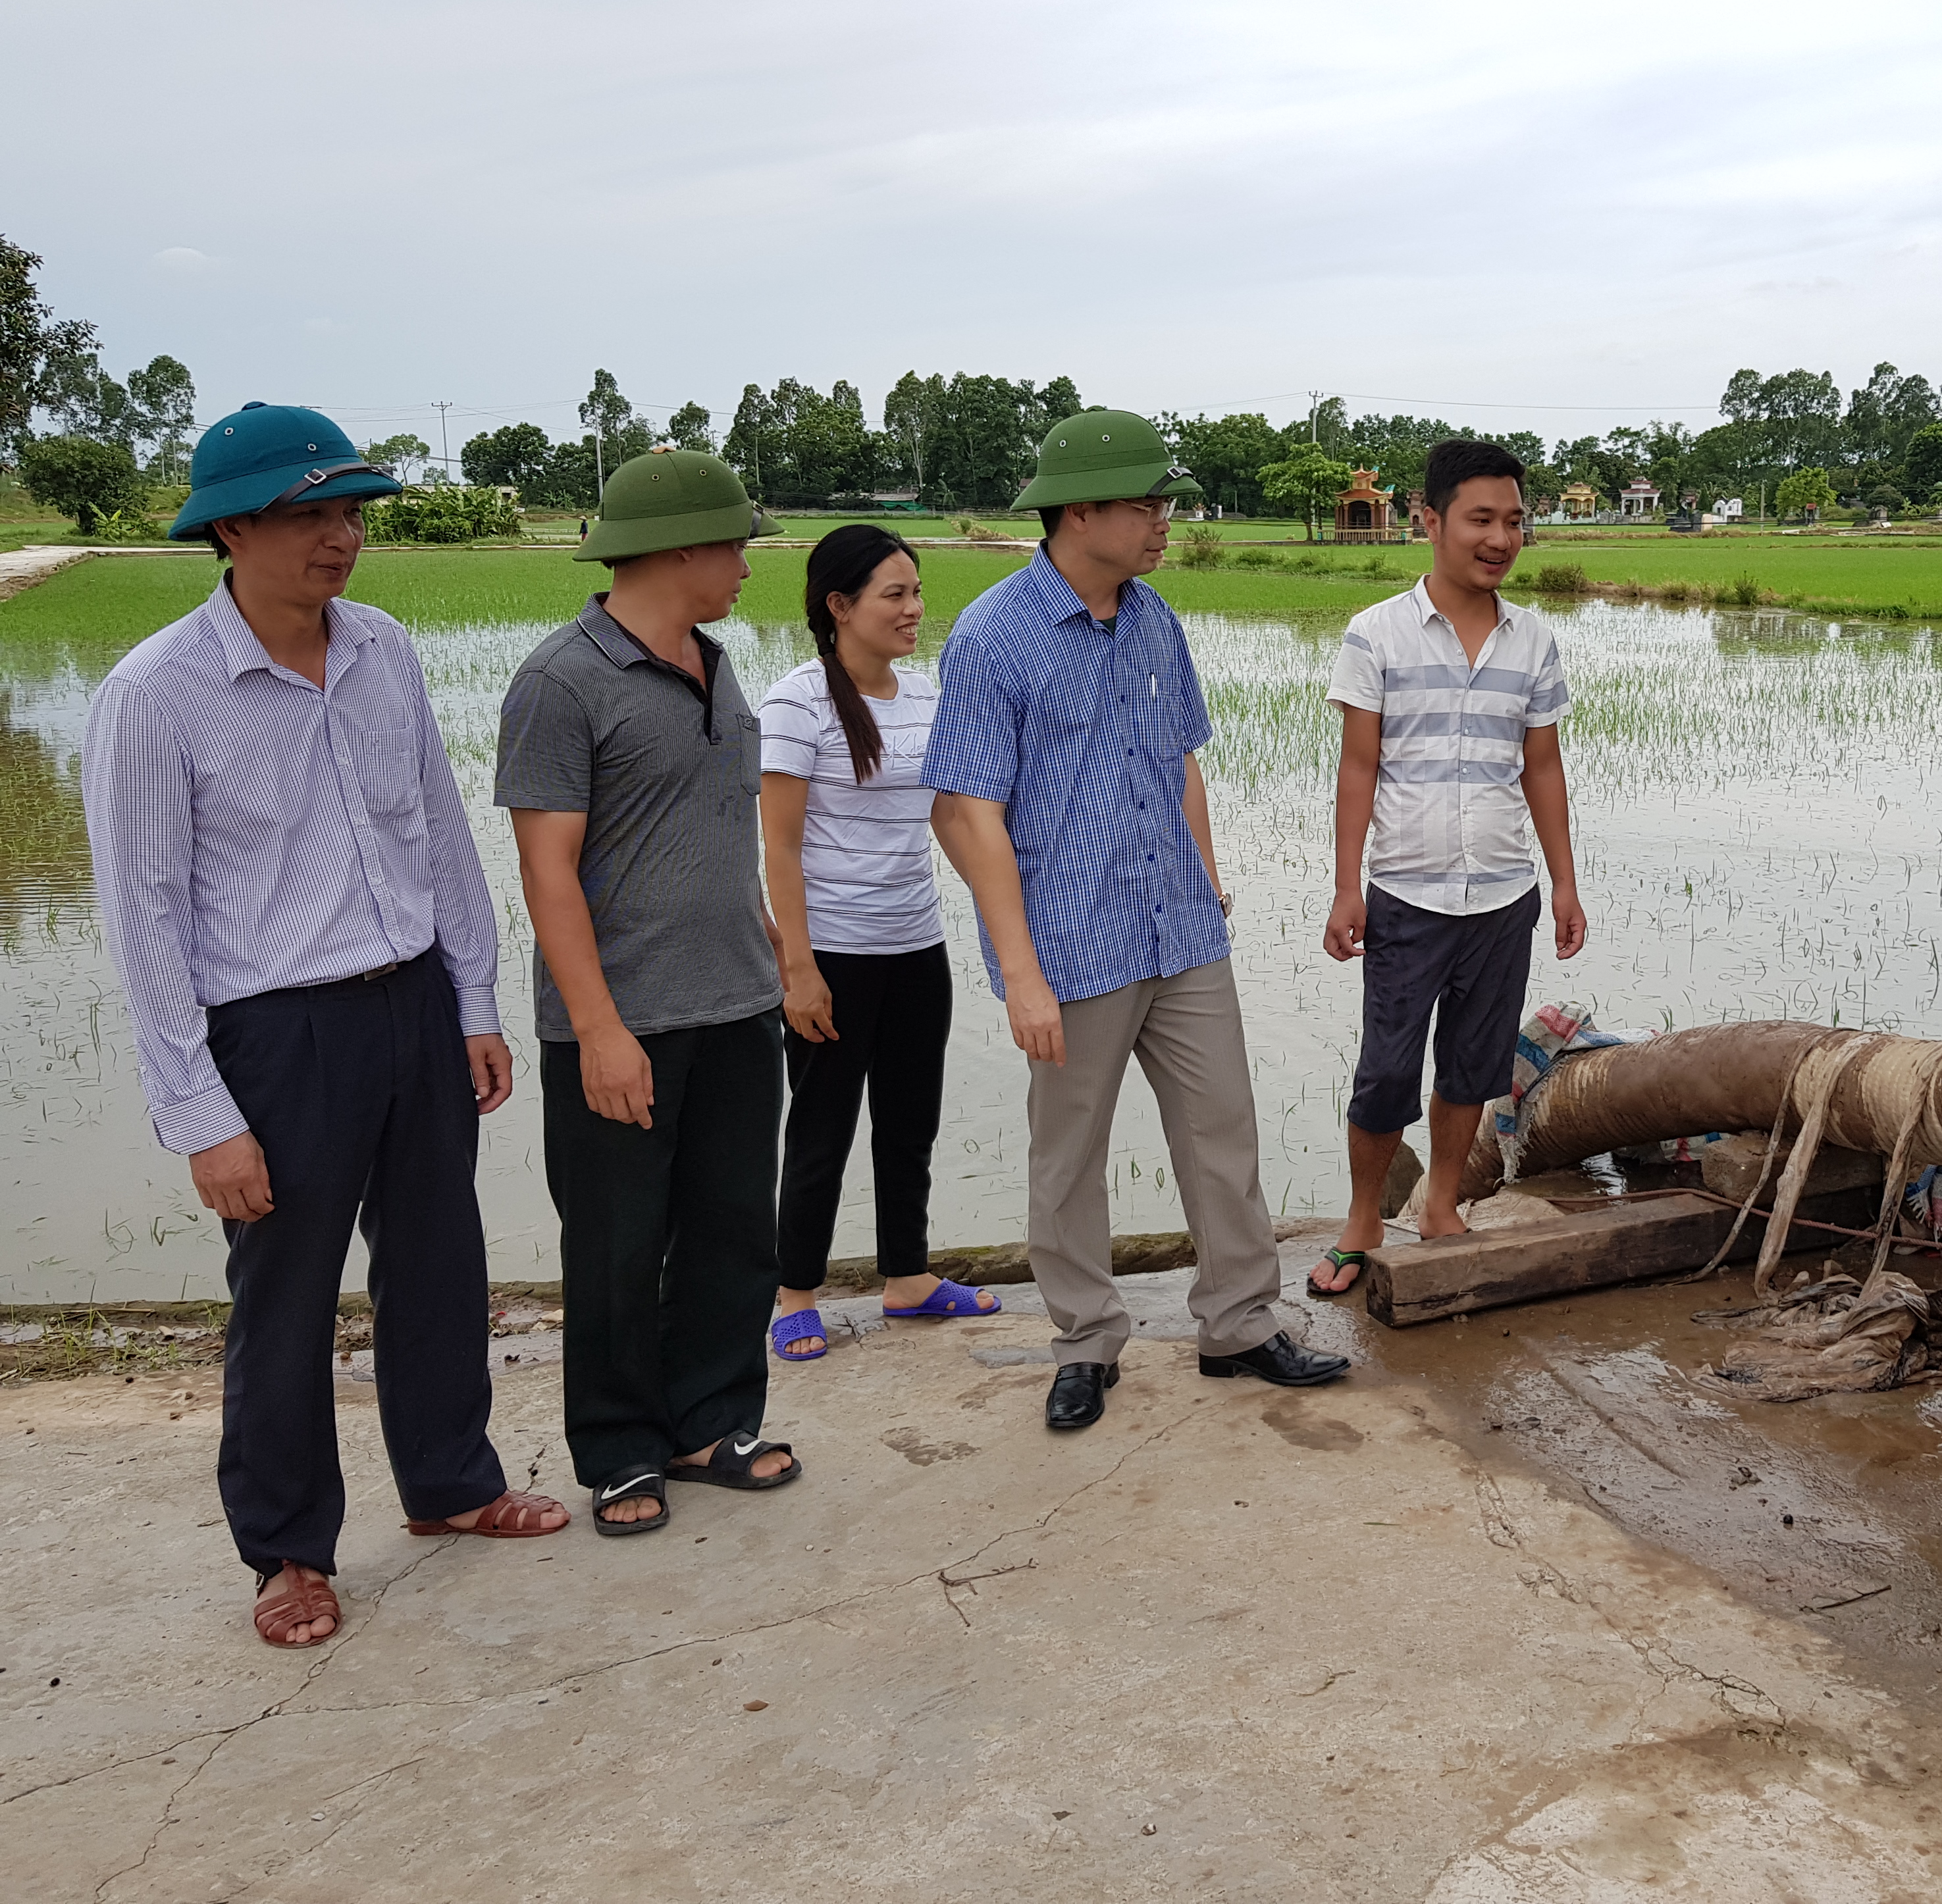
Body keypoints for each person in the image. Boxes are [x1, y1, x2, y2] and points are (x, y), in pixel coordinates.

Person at [82, 403, 568, 1651]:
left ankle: (452, 1482)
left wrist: (470, 1000)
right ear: (231, 528)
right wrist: (200, 1114)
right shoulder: (157, 694)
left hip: (410, 999)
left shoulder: (385, 652)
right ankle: (290, 1550)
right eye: (308, 515)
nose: (340, 537)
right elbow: (144, 918)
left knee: (440, 1261)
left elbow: (439, 838)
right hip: (276, 1033)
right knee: (286, 1298)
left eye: (350, 511)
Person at [924, 407, 1349, 1431]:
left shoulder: (1155, 618)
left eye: (1166, 501)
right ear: (1080, 513)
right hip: (1071, 946)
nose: (1166, 519)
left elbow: (1181, 759)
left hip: (1182, 930)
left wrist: (1207, 878)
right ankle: (1084, 1341)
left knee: (1223, 1130)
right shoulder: (992, 637)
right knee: (1068, 1155)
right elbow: (963, 809)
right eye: (1147, 502)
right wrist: (1021, 972)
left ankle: (1240, 1325)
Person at [495, 448, 802, 1537]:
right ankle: (622, 1445)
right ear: (677, 547)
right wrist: (596, 1028)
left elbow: (720, 838)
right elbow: (548, 869)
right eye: (734, 544)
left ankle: (711, 1419)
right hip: (621, 1023)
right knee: (619, 1246)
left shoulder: (717, 664)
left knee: (734, 1232)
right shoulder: (561, 680)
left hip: (734, 1006)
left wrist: (774, 953)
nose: (745, 565)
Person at [1311, 438, 1587, 1297]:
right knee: (1388, 1067)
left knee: (1474, 1064)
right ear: (1431, 522)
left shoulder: (1532, 641)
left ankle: (1440, 1205)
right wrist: (1346, 885)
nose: (1500, 537)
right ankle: (1363, 1222)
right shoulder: (1377, 635)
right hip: (1406, 891)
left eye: (1513, 520)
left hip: (1504, 892)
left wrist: (1565, 881)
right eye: (1481, 519)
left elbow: (1541, 765)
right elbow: (1360, 767)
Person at [760, 525, 996, 1360]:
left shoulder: (928, 696)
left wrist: (1003, 910)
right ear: (839, 606)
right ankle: (795, 1293)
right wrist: (799, 968)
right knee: (821, 1128)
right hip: (833, 955)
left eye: (917, 592)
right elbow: (777, 847)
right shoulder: (796, 703)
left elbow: (947, 816)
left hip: (914, 947)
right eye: (894, 595)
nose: (914, 610)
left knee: (910, 1122)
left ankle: (909, 1280)